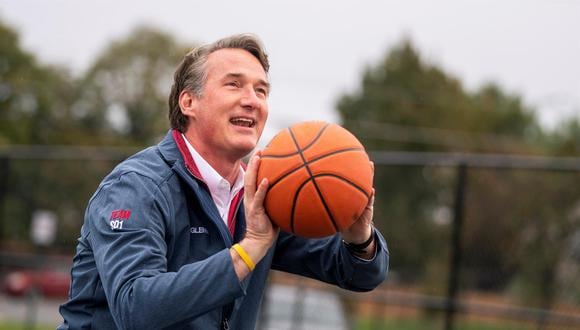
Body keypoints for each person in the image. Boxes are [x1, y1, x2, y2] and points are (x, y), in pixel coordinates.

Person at [58, 34, 389, 329]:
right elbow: (137, 309)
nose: (252, 99)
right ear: (189, 102)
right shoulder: (136, 187)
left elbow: (358, 275)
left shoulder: (263, 195)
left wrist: (360, 239)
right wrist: (247, 251)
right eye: (234, 84)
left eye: (261, 90)